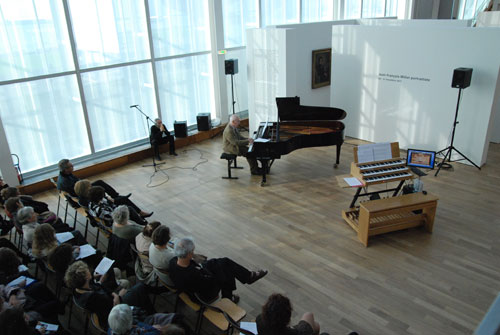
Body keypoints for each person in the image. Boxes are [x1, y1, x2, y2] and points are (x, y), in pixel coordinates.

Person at [168, 237, 268, 303]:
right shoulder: (193, 274)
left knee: (223, 262)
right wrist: (203, 269)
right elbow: (210, 281)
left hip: (195, 283)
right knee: (225, 272)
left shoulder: (173, 262)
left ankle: (248, 277)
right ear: (189, 254)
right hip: (202, 295)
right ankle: (229, 297)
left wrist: (202, 267)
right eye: (193, 251)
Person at [64, 261, 155, 328]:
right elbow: (112, 305)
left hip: (110, 301)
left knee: (135, 289)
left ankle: (148, 313)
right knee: (140, 288)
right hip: (113, 313)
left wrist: (114, 295)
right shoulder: (93, 298)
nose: (89, 270)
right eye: (87, 270)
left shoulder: (78, 288)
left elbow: (100, 287)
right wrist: (119, 295)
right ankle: (152, 317)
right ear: (85, 277)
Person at [56, 158, 130, 199]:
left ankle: (115, 196)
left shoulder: (65, 174)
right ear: (66, 169)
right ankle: (113, 198)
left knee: (99, 182)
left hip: (80, 189)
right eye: (71, 166)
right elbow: (78, 191)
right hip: (81, 193)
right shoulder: (66, 181)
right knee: (99, 186)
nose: (73, 167)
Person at [256, 293, 322, 335]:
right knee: (312, 319)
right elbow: (309, 315)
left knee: (315, 325)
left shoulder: (259, 320)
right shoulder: (296, 333)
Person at [107, 303, 181, 335]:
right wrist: (153, 328)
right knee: (176, 327)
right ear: (130, 321)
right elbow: (156, 331)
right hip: (153, 328)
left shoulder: (111, 329)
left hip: (148, 327)